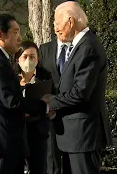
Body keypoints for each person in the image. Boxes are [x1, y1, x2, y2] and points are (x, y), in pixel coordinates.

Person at [41, 1, 113, 174]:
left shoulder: (88, 47)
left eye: (58, 24)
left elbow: (81, 92)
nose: (56, 29)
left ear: (70, 21)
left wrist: (52, 102)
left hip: (83, 135)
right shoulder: (82, 45)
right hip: (74, 136)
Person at [0, 14, 49, 174]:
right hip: (4, 140)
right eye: (15, 32)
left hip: (5, 140)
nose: (19, 37)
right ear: (0, 35)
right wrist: (44, 106)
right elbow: (11, 101)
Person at [12, 40, 52, 174]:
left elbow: (51, 101)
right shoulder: (11, 79)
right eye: (25, 56)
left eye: (32, 56)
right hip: (16, 132)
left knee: (38, 169)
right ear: (18, 59)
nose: (28, 60)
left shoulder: (45, 77)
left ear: (38, 59)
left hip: (38, 132)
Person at [39, 38, 70, 174]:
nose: (57, 27)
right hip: (50, 113)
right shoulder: (45, 49)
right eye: (55, 23)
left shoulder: (80, 48)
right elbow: (40, 79)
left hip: (73, 114)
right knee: (52, 162)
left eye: (60, 22)